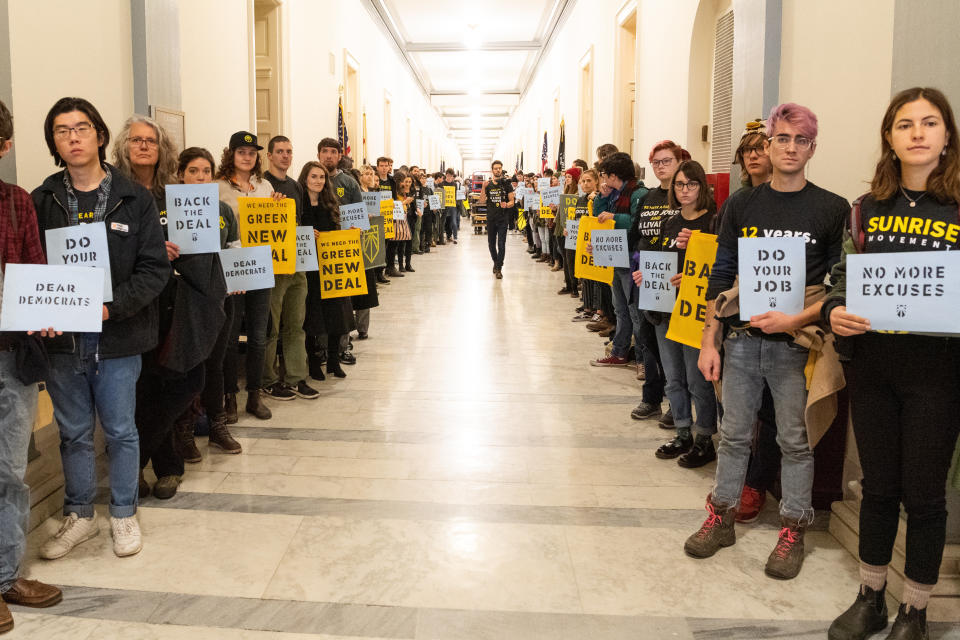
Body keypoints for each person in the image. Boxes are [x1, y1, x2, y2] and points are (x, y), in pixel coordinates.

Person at [685, 103, 848, 581]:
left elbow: (840, 284)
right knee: (733, 435)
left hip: (796, 344)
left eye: (801, 140)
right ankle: (722, 516)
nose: (791, 148)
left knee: (794, 440)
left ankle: (793, 528)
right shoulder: (742, 204)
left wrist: (794, 319)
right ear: (768, 145)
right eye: (782, 139)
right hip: (739, 341)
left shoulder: (832, 208)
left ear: (812, 148)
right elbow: (722, 275)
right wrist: (709, 340)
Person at [824, 87, 960, 640]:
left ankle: (917, 609)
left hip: (939, 373)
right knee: (878, 486)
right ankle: (871, 596)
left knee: (925, 494)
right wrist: (834, 311)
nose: (919, 133)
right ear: (890, 136)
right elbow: (841, 278)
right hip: (874, 369)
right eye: (906, 124)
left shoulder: (958, 207)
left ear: (947, 135)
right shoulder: (864, 209)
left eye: (930, 123)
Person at [33, 97, 170, 559]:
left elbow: (154, 270)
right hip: (63, 341)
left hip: (117, 335)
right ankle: (79, 515)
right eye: (62, 131)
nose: (73, 137)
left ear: (100, 135)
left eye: (82, 128)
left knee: (120, 429)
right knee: (72, 431)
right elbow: (31, 268)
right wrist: (42, 309)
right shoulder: (43, 199)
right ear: (54, 142)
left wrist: (112, 309)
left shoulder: (133, 198)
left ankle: (124, 512)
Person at [112, 115, 227, 500]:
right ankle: (166, 468)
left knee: (185, 380)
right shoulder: (114, 195)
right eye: (136, 140)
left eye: (151, 141)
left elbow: (202, 246)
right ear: (123, 147)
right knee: (145, 385)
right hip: (135, 304)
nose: (144, 146)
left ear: (162, 150)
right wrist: (148, 253)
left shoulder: (175, 195)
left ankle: (134, 459)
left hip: (179, 303)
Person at [0, 98, 63, 634]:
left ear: (5, 145)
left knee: (10, 473)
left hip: (8, 359)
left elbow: (36, 272)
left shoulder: (19, 203)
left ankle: (4, 575)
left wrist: (46, 310)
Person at [634, 160, 718, 468]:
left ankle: (705, 437)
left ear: (702, 187)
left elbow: (719, 267)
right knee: (674, 378)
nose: (684, 190)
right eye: (680, 185)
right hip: (666, 308)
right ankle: (682, 431)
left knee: (698, 380)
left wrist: (693, 277)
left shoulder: (713, 221)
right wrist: (645, 274)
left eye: (691, 184)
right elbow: (661, 259)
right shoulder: (670, 221)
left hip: (696, 313)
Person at [171, 147, 243, 465]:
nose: (200, 177)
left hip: (218, 297)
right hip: (184, 299)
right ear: (181, 175)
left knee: (215, 363)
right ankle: (184, 430)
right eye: (193, 171)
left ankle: (217, 426)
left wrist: (240, 276)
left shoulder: (223, 211)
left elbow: (233, 249)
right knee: (188, 365)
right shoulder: (168, 210)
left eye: (205, 171)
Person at [217, 131, 283, 420]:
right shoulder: (216, 187)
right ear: (230, 154)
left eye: (252, 152)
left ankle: (254, 396)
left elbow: (274, 225)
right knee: (230, 336)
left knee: (258, 334)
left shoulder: (264, 185)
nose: (247, 156)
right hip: (231, 267)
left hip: (260, 265)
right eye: (241, 151)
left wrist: (278, 206)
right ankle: (229, 396)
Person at [262, 135, 319, 401]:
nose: (285, 156)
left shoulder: (296, 186)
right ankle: (268, 379)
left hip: (296, 262)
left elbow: (298, 221)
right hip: (272, 265)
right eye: (280, 151)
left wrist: (310, 234)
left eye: (289, 151)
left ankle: (296, 377)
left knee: (296, 323)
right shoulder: (261, 185)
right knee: (271, 325)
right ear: (270, 155)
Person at [591, 152, 650, 371]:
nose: (603, 178)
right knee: (620, 309)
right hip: (616, 257)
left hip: (631, 258)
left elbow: (637, 224)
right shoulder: (614, 195)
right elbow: (598, 217)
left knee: (635, 311)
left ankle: (644, 360)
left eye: (604, 174)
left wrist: (614, 217)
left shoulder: (638, 194)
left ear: (614, 174)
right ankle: (619, 351)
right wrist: (602, 197)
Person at [299, 161, 351, 379]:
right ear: (305, 179)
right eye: (314, 177)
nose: (318, 181)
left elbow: (338, 229)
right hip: (309, 267)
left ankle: (332, 360)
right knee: (312, 315)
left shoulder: (329, 202)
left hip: (331, 265)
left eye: (321, 177)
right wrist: (306, 233)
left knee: (336, 314)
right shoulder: (298, 204)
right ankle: (313, 362)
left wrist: (350, 232)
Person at [481, 159, 515, 279]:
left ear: (501, 169)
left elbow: (512, 201)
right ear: (492, 170)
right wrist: (483, 188)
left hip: (503, 219)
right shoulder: (488, 184)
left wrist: (507, 204)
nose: (498, 170)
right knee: (491, 244)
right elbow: (481, 201)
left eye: (499, 168)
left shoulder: (507, 184)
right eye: (495, 168)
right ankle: (496, 262)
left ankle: (499, 268)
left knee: (501, 244)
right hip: (491, 218)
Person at [555, 167, 580, 291]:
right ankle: (569, 283)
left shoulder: (578, 194)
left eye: (569, 177)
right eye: (566, 177)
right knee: (565, 256)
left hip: (572, 227)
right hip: (561, 226)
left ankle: (574, 285)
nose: (567, 179)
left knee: (570, 258)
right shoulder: (565, 191)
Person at [441, 168, 459, 244]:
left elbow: (456, 195)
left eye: (451, 176)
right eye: (448, 175)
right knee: (443, 222)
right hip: (444, 205)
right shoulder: (442, 184)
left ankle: (455, 237)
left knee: (454, 222)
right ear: (446, 175)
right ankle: (442, 238)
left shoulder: (455, 184)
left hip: (452, 205)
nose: (449, 177)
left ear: (453, 176)